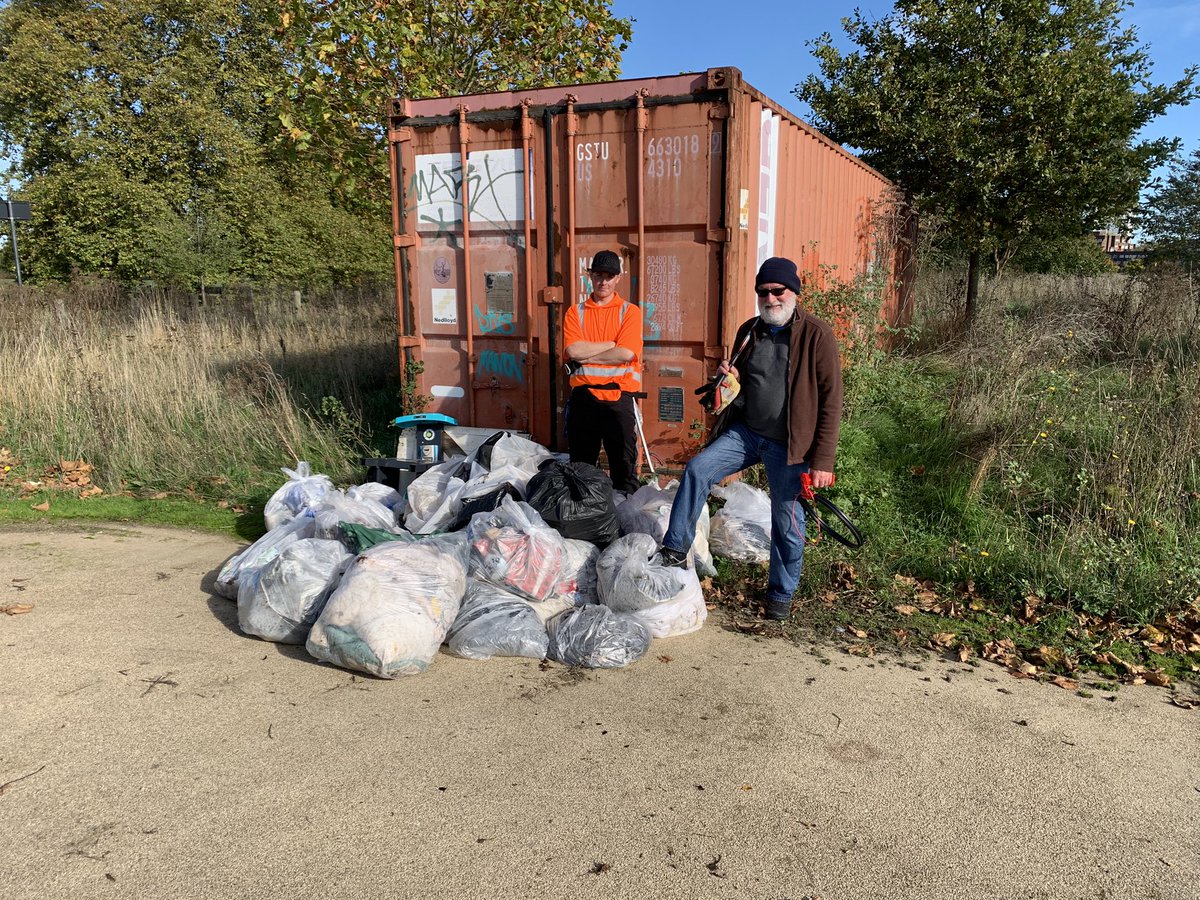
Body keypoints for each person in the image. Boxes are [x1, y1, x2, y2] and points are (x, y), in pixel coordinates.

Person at [658, 256, 843, 621]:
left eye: (778, 291)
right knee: (698, 469)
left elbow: (831, 401)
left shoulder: (817, 336)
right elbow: (736, 385)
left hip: (790, 445)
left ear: (794, 292)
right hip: (747, 434)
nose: (771, 299)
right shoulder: (750, 329)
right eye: (763, 292)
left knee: (787, 522)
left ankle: (780, 596)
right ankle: (675, 549)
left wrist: (823, 461)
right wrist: (725, 376)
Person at [562, 249, 644, 495]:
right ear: (591, 276)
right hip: (584, 399)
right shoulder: (575, 312)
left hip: (618, 399)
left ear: (618, 278)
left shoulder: (629, 312)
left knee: (624, 467)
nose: (603, 281)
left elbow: (626, 353)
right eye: (598, 275)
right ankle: (586, 519)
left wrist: (589, 353)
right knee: (581, 468)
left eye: (609, 275)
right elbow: (573, 350)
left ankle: (626, 520)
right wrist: (610, 344)